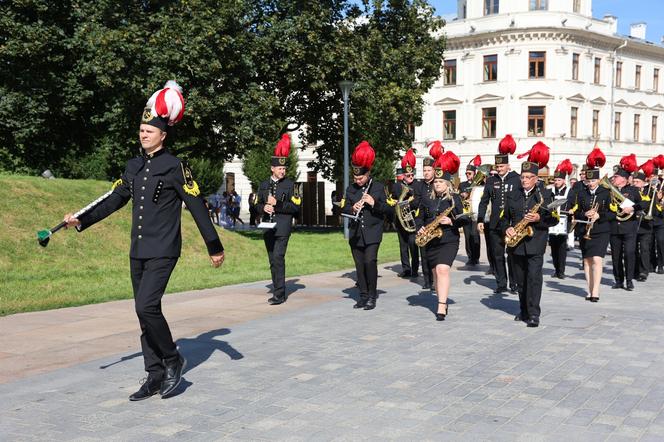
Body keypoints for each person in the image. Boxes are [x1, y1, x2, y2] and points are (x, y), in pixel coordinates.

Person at [63, 81, 225, 400]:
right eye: (141, 129)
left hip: (164, 250)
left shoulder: (176, 167)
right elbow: (113, 198)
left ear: (163, 134)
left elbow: (196, 206)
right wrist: (82, 219)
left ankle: (173, 359)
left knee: (146, 305)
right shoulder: (133, 167)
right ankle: (154, 374)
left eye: (149, 131)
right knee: (143, 313)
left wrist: (214, 246)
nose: (143, 134)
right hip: (137, 251)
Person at [504, 142, 557, 327]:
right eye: (522, 177)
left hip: (535, 243)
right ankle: (523, 309)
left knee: (533, 278)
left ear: (536, 178)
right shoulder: (513, 194)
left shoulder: (545, 194)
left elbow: (554, 220)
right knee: (520, 279)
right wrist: (507, 228)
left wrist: (538, 219)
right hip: (516, 243)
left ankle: (534, 313)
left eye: (528, 177)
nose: (524, 180)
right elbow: (505, 218)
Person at [416, 151, 469, 321]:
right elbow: (420, 218)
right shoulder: (427, 198)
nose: (437, 184)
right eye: (436, 181)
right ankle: (442, 300)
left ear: (447, 183)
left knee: (442, 269)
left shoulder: (454, 199)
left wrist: (451, 221)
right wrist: (421, 228)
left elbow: (465, 220)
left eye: (440, 181)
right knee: (436, 273)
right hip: (431, 241)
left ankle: (441, 305)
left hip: (449, 239)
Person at [342, 140, 392, 310]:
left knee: (370, 261)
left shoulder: (378, 188)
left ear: (368, 173)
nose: (358, 180)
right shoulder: (351, 189)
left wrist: (373, 203)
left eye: (361, 178)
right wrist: (352, 207)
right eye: (356, 178)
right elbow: (344, 208)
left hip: (373, 232)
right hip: (356, 233)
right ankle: (362, 296)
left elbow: (388, 210)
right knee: (359, 264)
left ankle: (372, 295)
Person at [254, 133, 301, 305]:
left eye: (284, 168)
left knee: (278, 258)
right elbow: (256, 205)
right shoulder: (264, 185)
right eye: (279, 168)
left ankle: (280, 294)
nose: (282, 171)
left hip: (282, 227)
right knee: (272, 260)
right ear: (272, 168)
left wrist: (278, 203)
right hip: (267, 226)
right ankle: (277, 288)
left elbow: (296, 208)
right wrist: (263, 207)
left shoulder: (293, 186)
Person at [478, 134, 521, 294]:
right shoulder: (491, 180)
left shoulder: (516, 179)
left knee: (512, 254)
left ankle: (514, 283)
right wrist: (480, 219)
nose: (499, 169)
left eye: (502, 166)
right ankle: (501, 283)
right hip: (495, 222)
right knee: (497, 255)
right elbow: (484, 200)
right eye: (497, 167)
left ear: (508, 166)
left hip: (511, 223)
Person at [573, 147, 611, 302]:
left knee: (596, 258)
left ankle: (596, 291)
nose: (590, 184)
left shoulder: (606, 192)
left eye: (593, 181)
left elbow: (612, 213)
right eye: (588, 181)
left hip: (601, 230)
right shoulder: (581, 193)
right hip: (584, 229)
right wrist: (585, 214)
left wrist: (598, 215)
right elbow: (576, 212)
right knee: (587, 260)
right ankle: (589, 289)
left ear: (598, 180)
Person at [609, 154, 642, 291]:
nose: (614, 178)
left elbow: (643, 204)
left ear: (623, 179)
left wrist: (632, 208)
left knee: (629, 253)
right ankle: (618, 280)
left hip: (629, 227)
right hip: (614, 227)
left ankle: (629, 280)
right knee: (615, 255)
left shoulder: (633, 190)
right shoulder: (609, 190)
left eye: (616, 177)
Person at [415, 141, 443, 289]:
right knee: (424, 254)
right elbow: (417, 207)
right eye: (424, 170)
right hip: (425, 223)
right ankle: (427, 280)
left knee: (436, 254)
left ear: (434, 170)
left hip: (437, 223)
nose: (426, 172)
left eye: (428, 170)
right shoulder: (419, 186)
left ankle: (436, 279)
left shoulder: (438, 183)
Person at [390, 148, 420, 278]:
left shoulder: (418, 185)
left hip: (413, 219)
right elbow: (394, 200)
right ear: (403, 175)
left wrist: (408, 203)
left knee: (413, 244)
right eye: (408, 176)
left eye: (412, 175)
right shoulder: (397, 186)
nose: (410, 177)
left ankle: (414, 269)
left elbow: (418, 202)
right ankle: (406, 269)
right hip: (401, 220)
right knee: (403, 246)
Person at [548, 159, 573, 279]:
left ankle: (561, 270)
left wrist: (572, 210)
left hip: (564, 221)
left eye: (559, 180)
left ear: (564, 180)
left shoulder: (570, 191)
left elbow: (574, 204)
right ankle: (556, 269)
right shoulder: (550, 191)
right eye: (555, 180)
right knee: (553, 247)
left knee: (562, 247)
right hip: (552, 222)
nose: (556, 182)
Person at [458, 155, 482, 266]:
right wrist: (462, 195)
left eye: (470, 173)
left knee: (474, 235)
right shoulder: (462, 185)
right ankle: (470, 257)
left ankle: (476, 257)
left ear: (474, 173)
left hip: (475, 213)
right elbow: (459, 198)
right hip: (466, 212)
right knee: (467, 236)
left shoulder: (480, 184)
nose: (468, 175)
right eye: (466, 173)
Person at [633, 166, 654, 282]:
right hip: (633, 224)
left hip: (646, 224)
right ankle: (635, 270)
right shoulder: (630, 191)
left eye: (637, 182)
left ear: (643, 182)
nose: (635, 184)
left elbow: (655, 209)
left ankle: (644, 271)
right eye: (634, 181)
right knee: (634, 249)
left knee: (644, 249)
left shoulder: (650, 191)